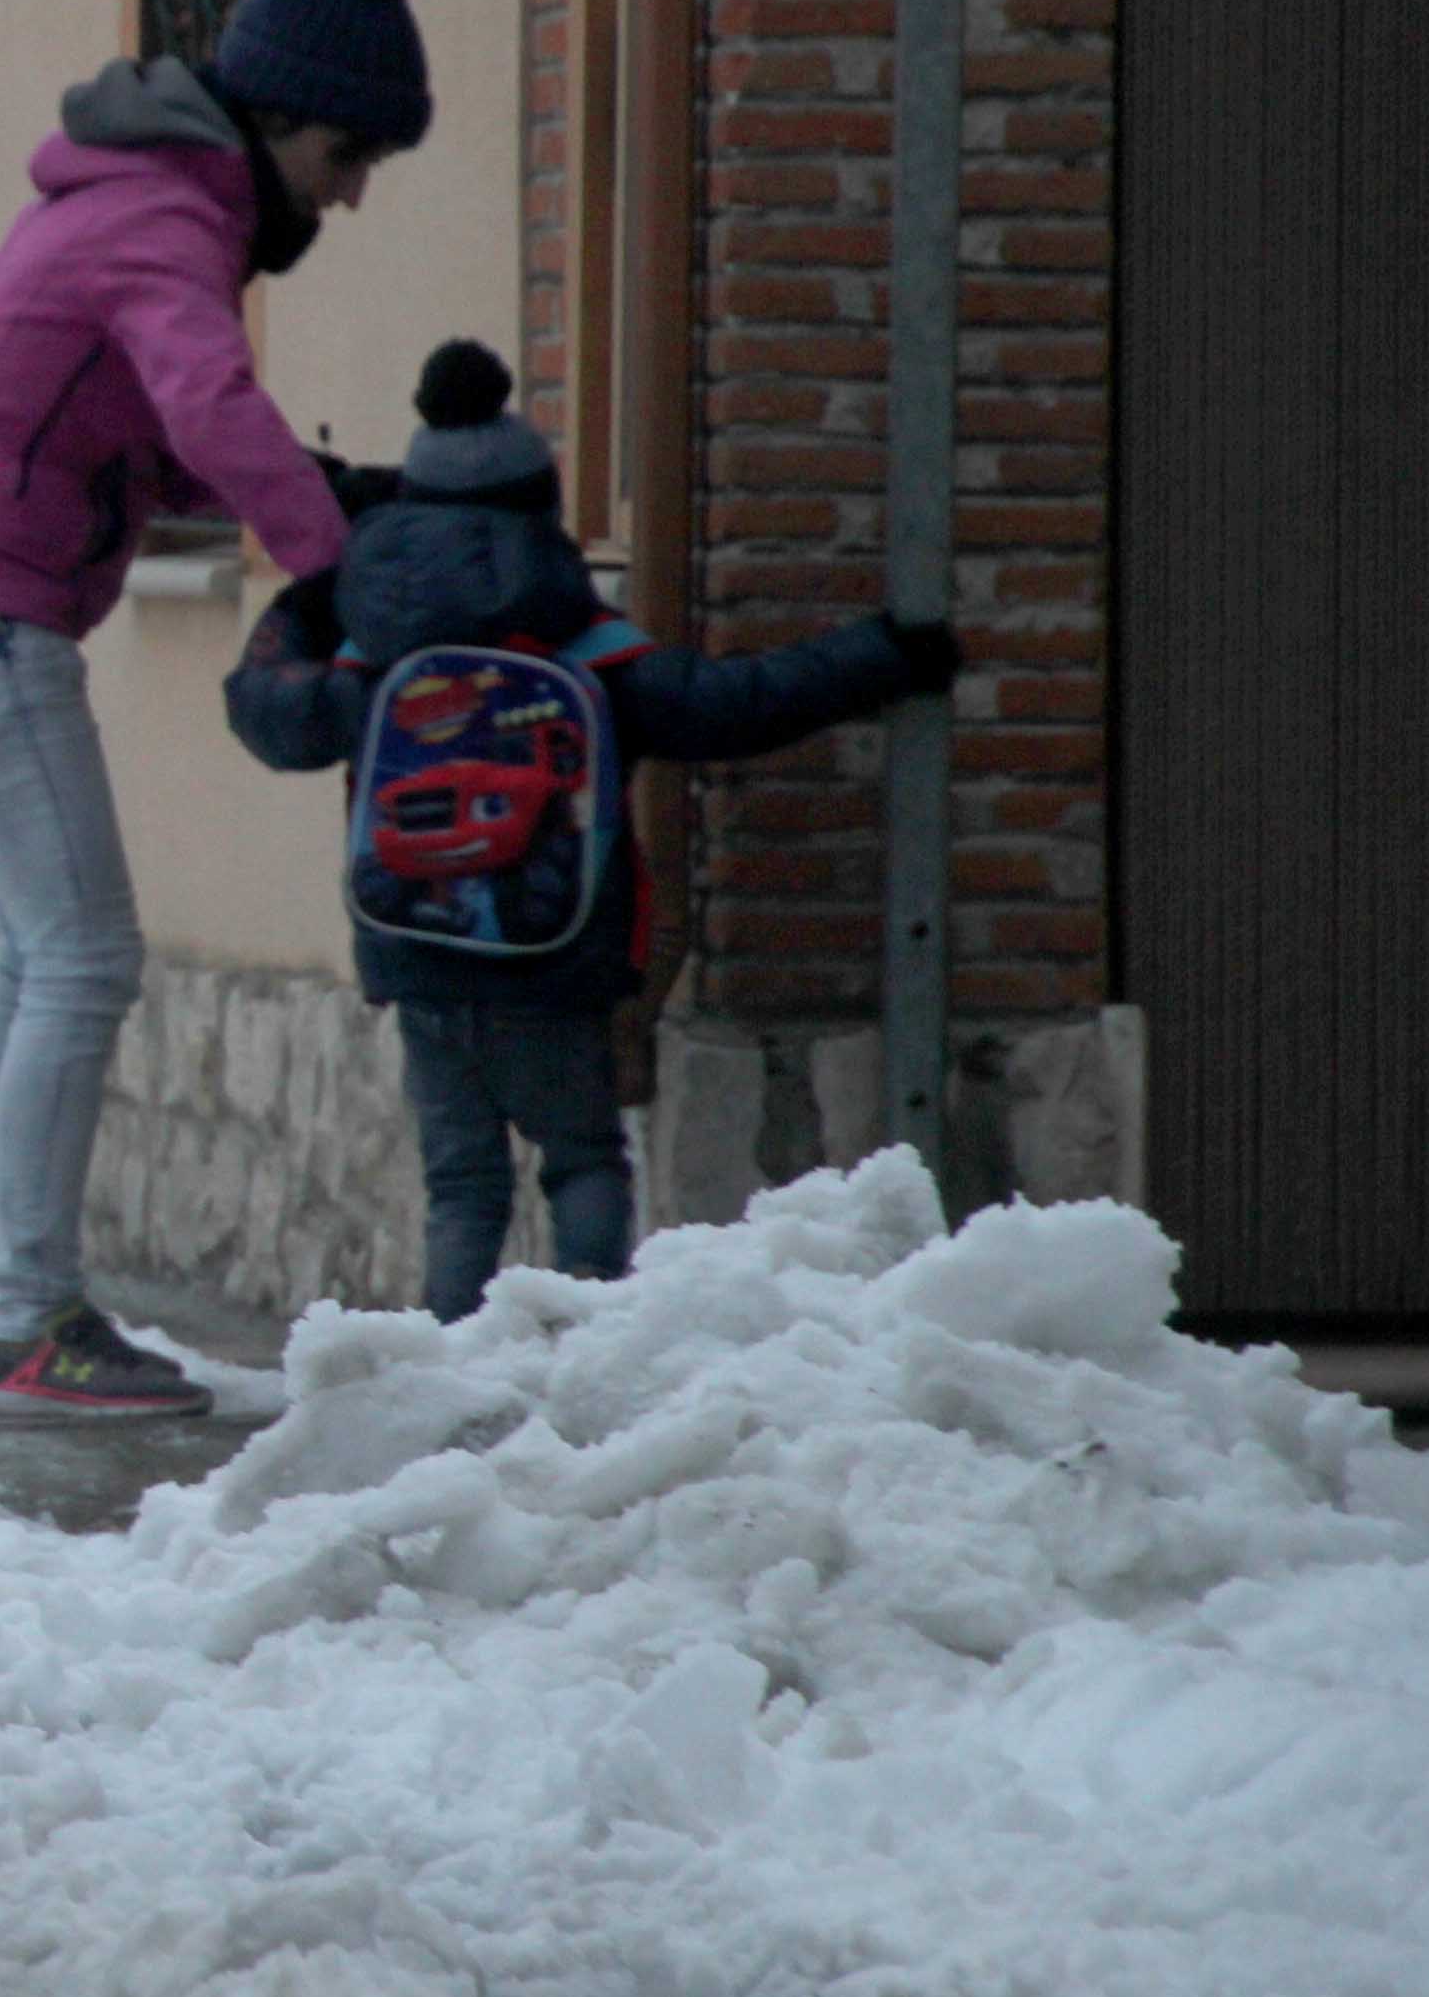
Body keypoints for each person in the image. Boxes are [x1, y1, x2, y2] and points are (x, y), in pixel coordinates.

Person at [0, 0, 436, 1419]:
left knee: (40, 952)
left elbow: (149, 435)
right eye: (347, 157)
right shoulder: (167, 219)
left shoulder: (143, 203)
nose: (353, 195)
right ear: (278, 123)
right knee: (84, 955)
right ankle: (35, 1321)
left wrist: (325, 490)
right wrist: (338, 565)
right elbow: (210, 407)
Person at [228, 339, 951, 1322]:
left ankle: (449, 1368)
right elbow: (733, 705)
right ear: (543, 509)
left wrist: (314, 591)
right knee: (581, 1160)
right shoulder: (589, 649)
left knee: (462, 1185)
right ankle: (584, 1343)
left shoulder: (373, 656)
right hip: (557, 961)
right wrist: (883, 655)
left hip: (421, 958)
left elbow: (267, 710)